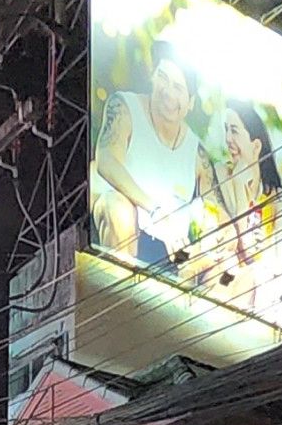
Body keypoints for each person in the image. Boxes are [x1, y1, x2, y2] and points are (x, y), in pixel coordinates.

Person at [90, 38, 217, 268]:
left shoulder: (197, 152)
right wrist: (156, 211)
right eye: (163, 78)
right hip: (126, 227)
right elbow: (106, 161)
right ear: (152, 77)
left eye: (178, 88)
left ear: (190, 102)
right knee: (117, 206)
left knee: (216, 262)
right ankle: (120, 295)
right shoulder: (124, 107)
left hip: (174, 251)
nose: (168, 92)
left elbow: (214, 212)